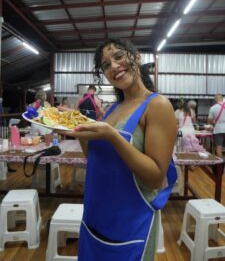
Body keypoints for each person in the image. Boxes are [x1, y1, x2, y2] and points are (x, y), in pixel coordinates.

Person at [56, 38, 177, 261]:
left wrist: (112, 136)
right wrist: (78, 128)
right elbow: (100, 161)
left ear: (137, 56)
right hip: (95, 218)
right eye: (106, 65)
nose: (113, 67)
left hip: (129, 226)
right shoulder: (114, 108)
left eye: (119, 57)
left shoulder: (157, 105)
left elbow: (155, 177)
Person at [208, 94, 225, 159]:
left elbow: (209, 121)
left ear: (215, 99)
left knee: (218, 148)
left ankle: (220, 167)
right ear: (222, 98)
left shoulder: (213, 108)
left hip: (218, 130)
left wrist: (215, 122)